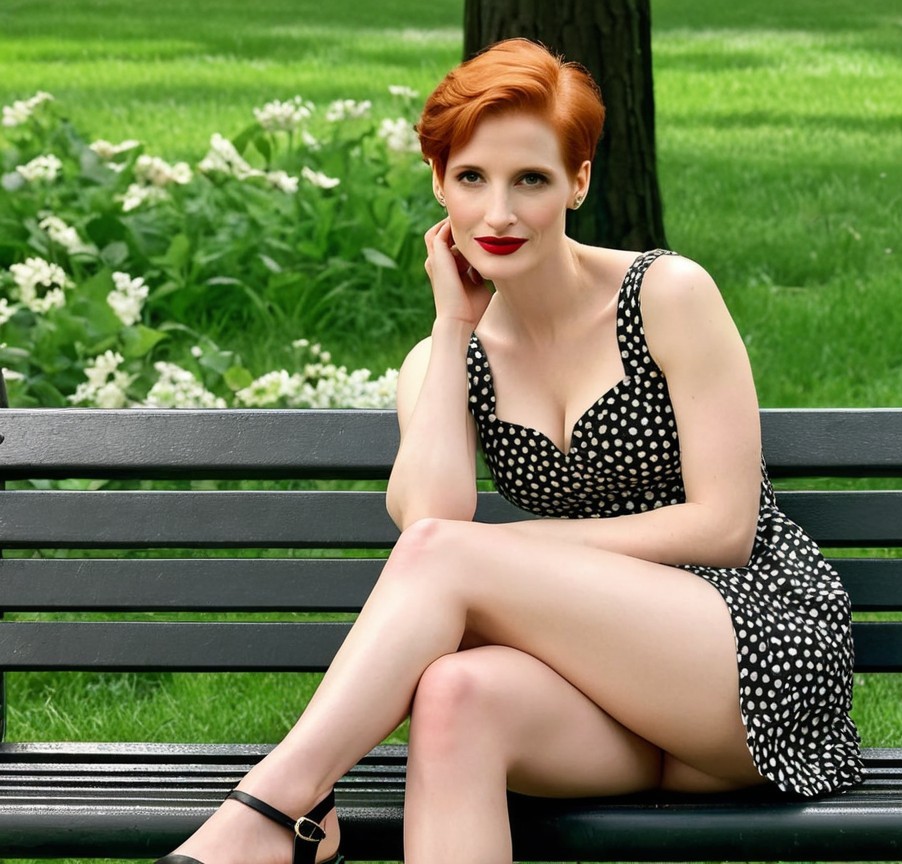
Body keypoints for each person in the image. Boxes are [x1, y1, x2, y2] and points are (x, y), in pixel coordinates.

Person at [155, 37, 862, 864]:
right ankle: (286, 814)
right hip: (607, 696)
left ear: (578, 180)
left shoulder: (666, 294)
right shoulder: (447, 360)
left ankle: (274, 812)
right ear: (439, 185)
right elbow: (431, 521)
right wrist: (453, 328)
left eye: (530, 178)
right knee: (455, 695)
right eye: (471, 179)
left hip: (747, 654)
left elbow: (723, 526)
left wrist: (513, 549)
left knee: (454, 559)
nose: (498, 213)